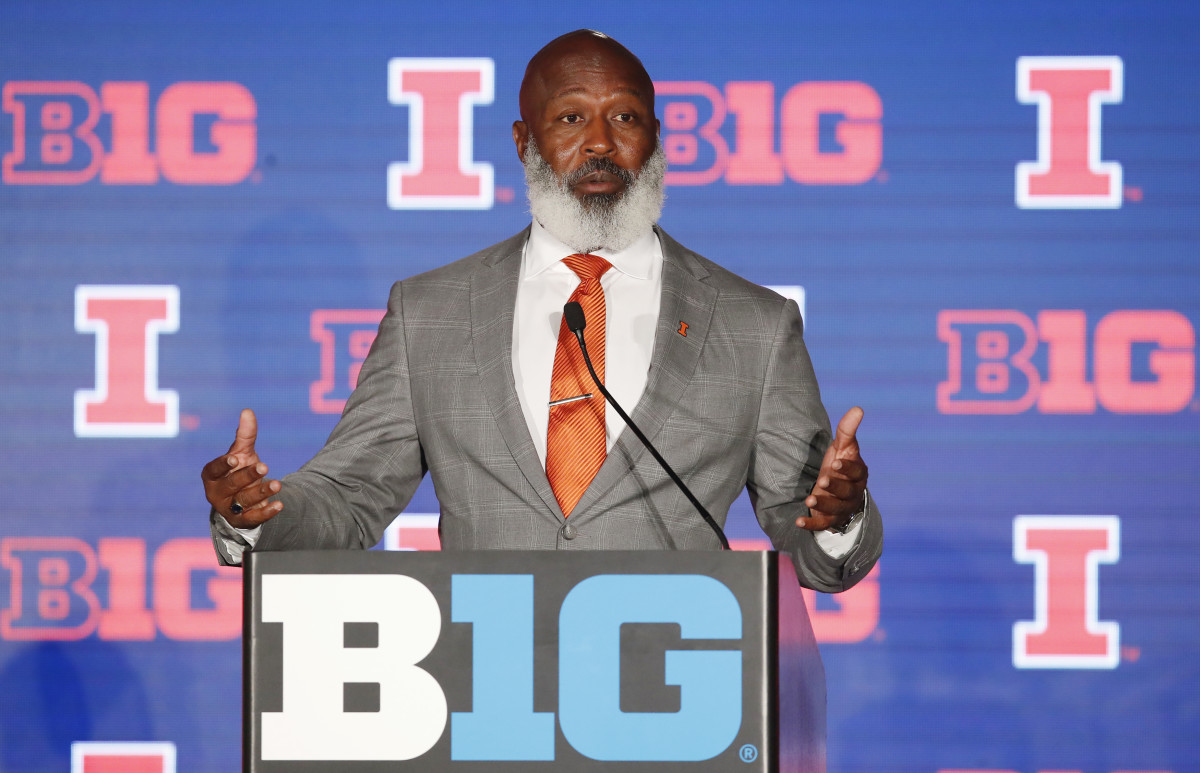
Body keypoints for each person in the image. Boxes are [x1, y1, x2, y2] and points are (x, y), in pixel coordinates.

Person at [202, 29, 881, 592]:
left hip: (675, 712)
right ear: (524, 142)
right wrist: (257, 516)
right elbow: (350, 498)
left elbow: (809, 532)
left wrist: (837, 519)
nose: (599, 143)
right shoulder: (429, 313)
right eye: (570, 118)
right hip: (482, 700)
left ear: (657, 141)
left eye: (625, 117)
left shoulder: (753, 326)